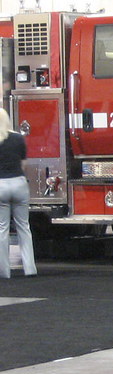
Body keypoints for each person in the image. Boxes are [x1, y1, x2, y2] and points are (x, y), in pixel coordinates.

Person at [0, 109, 37, 278]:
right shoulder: (17, 138)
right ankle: (30, 268)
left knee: (2, 229)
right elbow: (23, 164)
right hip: (19, 184)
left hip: (1, 186)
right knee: (24, 227)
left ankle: (4, 271)